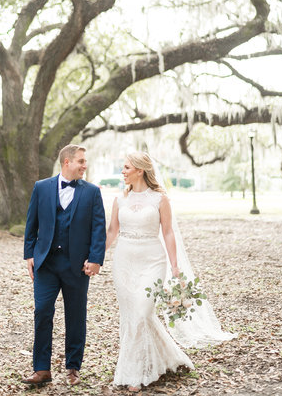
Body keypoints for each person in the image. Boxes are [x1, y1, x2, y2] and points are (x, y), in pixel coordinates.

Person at [105, 151, 195, 391]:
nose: (122, 172)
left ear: (139, 170)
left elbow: (167, 232)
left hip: (152, 261)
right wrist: (96, 256)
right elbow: (112, 231)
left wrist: (175, 265)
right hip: (123, 261)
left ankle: (137, 373)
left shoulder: (159, 199)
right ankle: (159, 359)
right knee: (131, 315)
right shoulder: (119, 200)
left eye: (125, 167)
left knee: (143, 312)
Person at [22, 144, 106, 387]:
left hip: (77, 265)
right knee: (42, 312)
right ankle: (41, 370)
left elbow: (98, 229)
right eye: (80, 161)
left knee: (76, 315)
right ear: (67, 162)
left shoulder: (91, 192)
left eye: (85, 161)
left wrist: (96, 259)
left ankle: (73, 367)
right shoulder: (41, 187)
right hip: (46, 263)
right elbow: (31, 223)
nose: (84, 165)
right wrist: (29, 254)